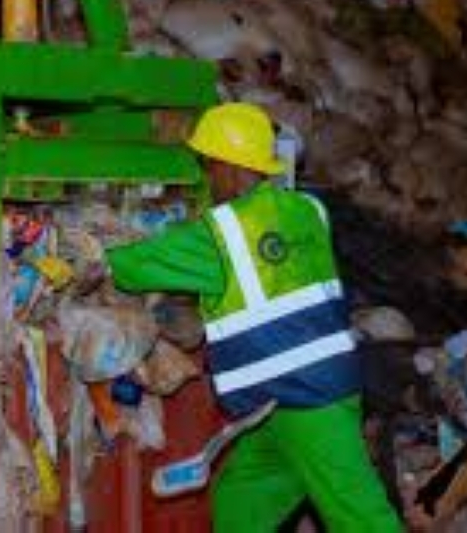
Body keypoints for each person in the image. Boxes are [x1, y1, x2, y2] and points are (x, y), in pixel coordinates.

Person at [103, 103, 401, 532]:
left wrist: (92, 254)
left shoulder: (223, 233)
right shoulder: (307, 210)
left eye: (208, 165)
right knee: (240, 504)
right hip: (283, 400)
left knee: (360, 518)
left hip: (309, 402)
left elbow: (131, 266)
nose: (206, 176)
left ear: (228, 166)